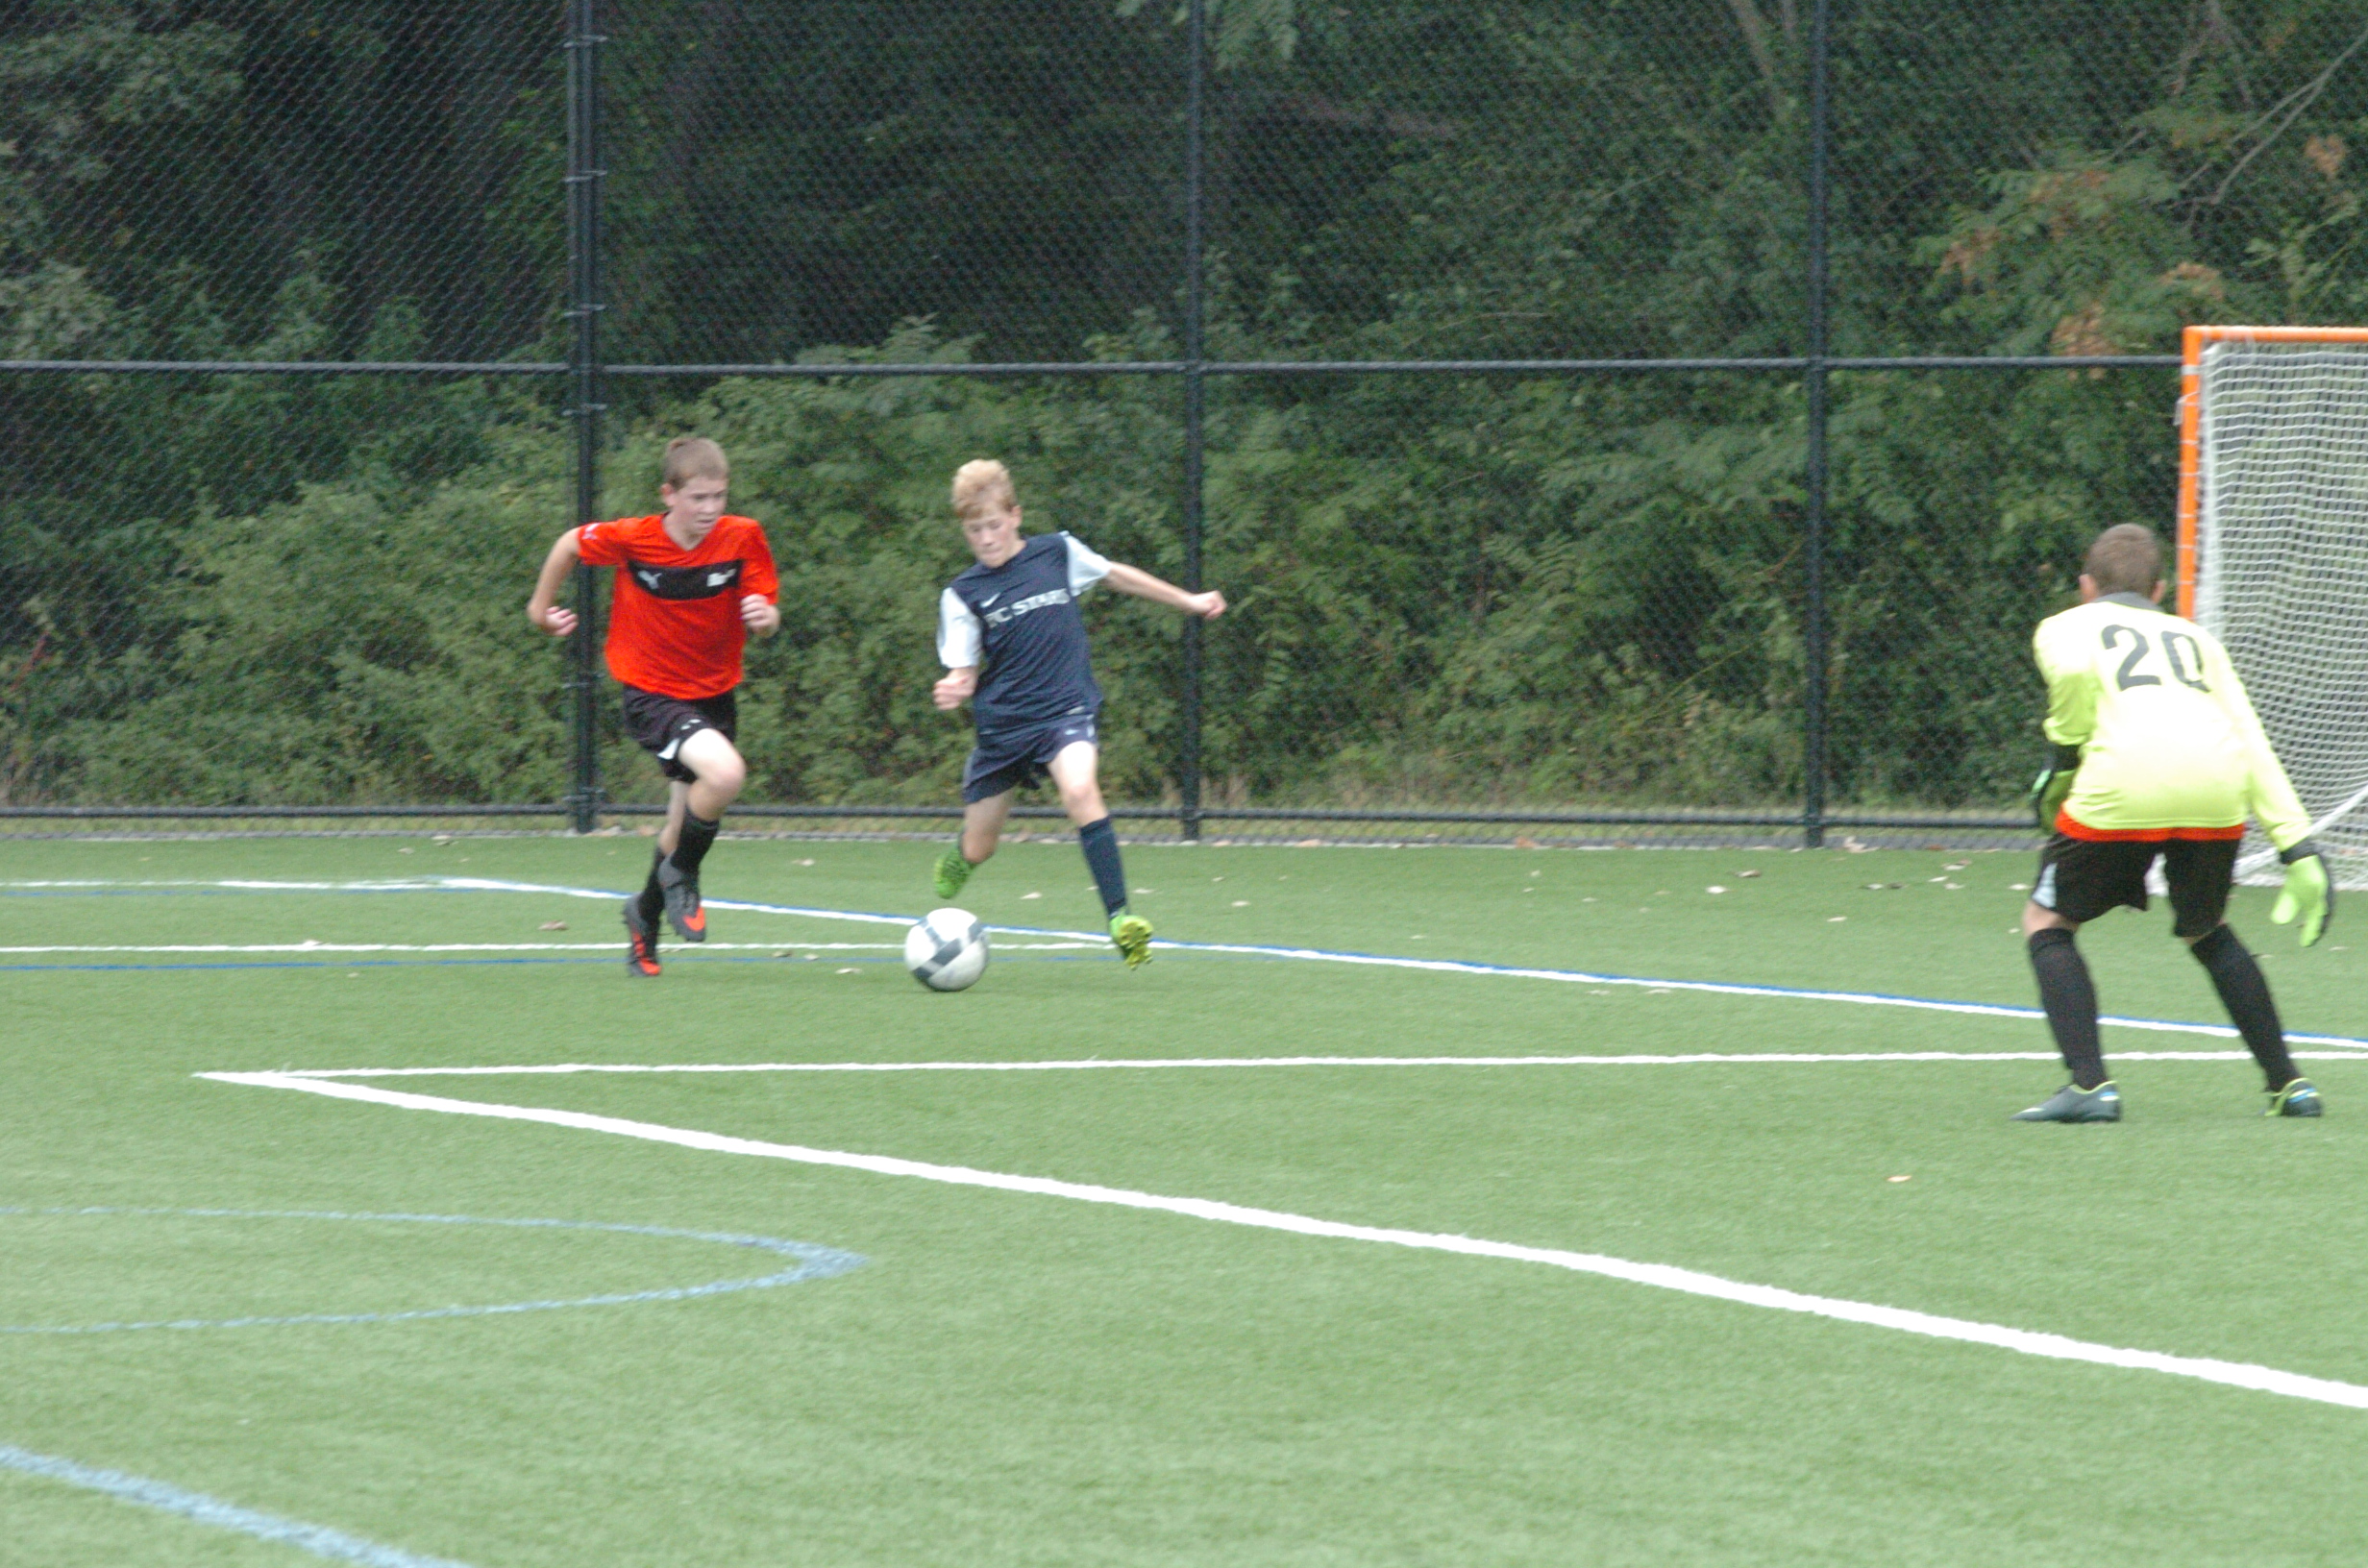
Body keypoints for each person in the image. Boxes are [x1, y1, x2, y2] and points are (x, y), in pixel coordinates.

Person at [2015, 523, 2333, 1121]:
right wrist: (2295, 841)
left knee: (2047, 921)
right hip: (2215, 787)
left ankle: (2089, 1087)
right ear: (2160, 590)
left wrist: (2061, 762)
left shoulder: (2063, 625)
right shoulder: (2196, 639)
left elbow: (2076, 680)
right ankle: (2289, 1084)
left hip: (2124, 785)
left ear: (2086, 587)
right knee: (2207, 928)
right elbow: (2247, 734)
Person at [929, 459, 1224, 968]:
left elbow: (1116, 575)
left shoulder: (1057, 553)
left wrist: (1188, 601)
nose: (987, 538)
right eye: (975, 530)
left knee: (1082, 790)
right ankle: (963, 856)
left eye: (994, 524)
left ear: (1015, 515)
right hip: (1004, 728)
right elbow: (964, 667)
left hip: (1064, 710)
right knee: (979, 848)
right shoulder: (963, 594)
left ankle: (1121, 919)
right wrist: (957, 685)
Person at [526, 436, 780, 977]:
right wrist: (539, 609)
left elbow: (766, 608)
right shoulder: (636, 538)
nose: (709, 509)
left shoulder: (743, 537)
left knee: (681, 822)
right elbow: (570, 543)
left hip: (714, 693)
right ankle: (683, 874)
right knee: (726, 774)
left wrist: (766, 618)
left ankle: (643, 915)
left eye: (718, 497)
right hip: (652, 692)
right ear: (669, 494)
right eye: (698, 498)